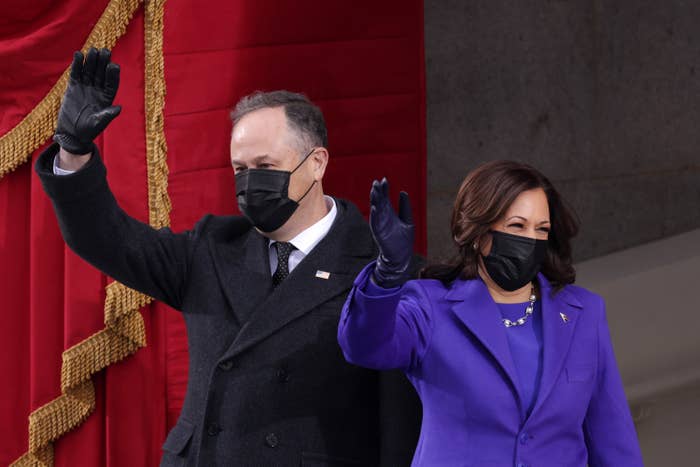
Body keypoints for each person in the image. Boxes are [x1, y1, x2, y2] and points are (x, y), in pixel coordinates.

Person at [36, 48, 420, 466]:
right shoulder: (211, 248)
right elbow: (105, 240)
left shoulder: (382, 267)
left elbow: (399, 424)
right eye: (240, 168)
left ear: (317, 164)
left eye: (265, 164)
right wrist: (73, 153)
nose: (250, 181)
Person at [338, 162, 645, 466]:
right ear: (478, 232)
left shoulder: (583, 312)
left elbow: (612, 437)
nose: (531, 240)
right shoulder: (430, 306)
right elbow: (365, 347)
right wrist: (387, 273)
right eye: (517, 226)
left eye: (541, 229)